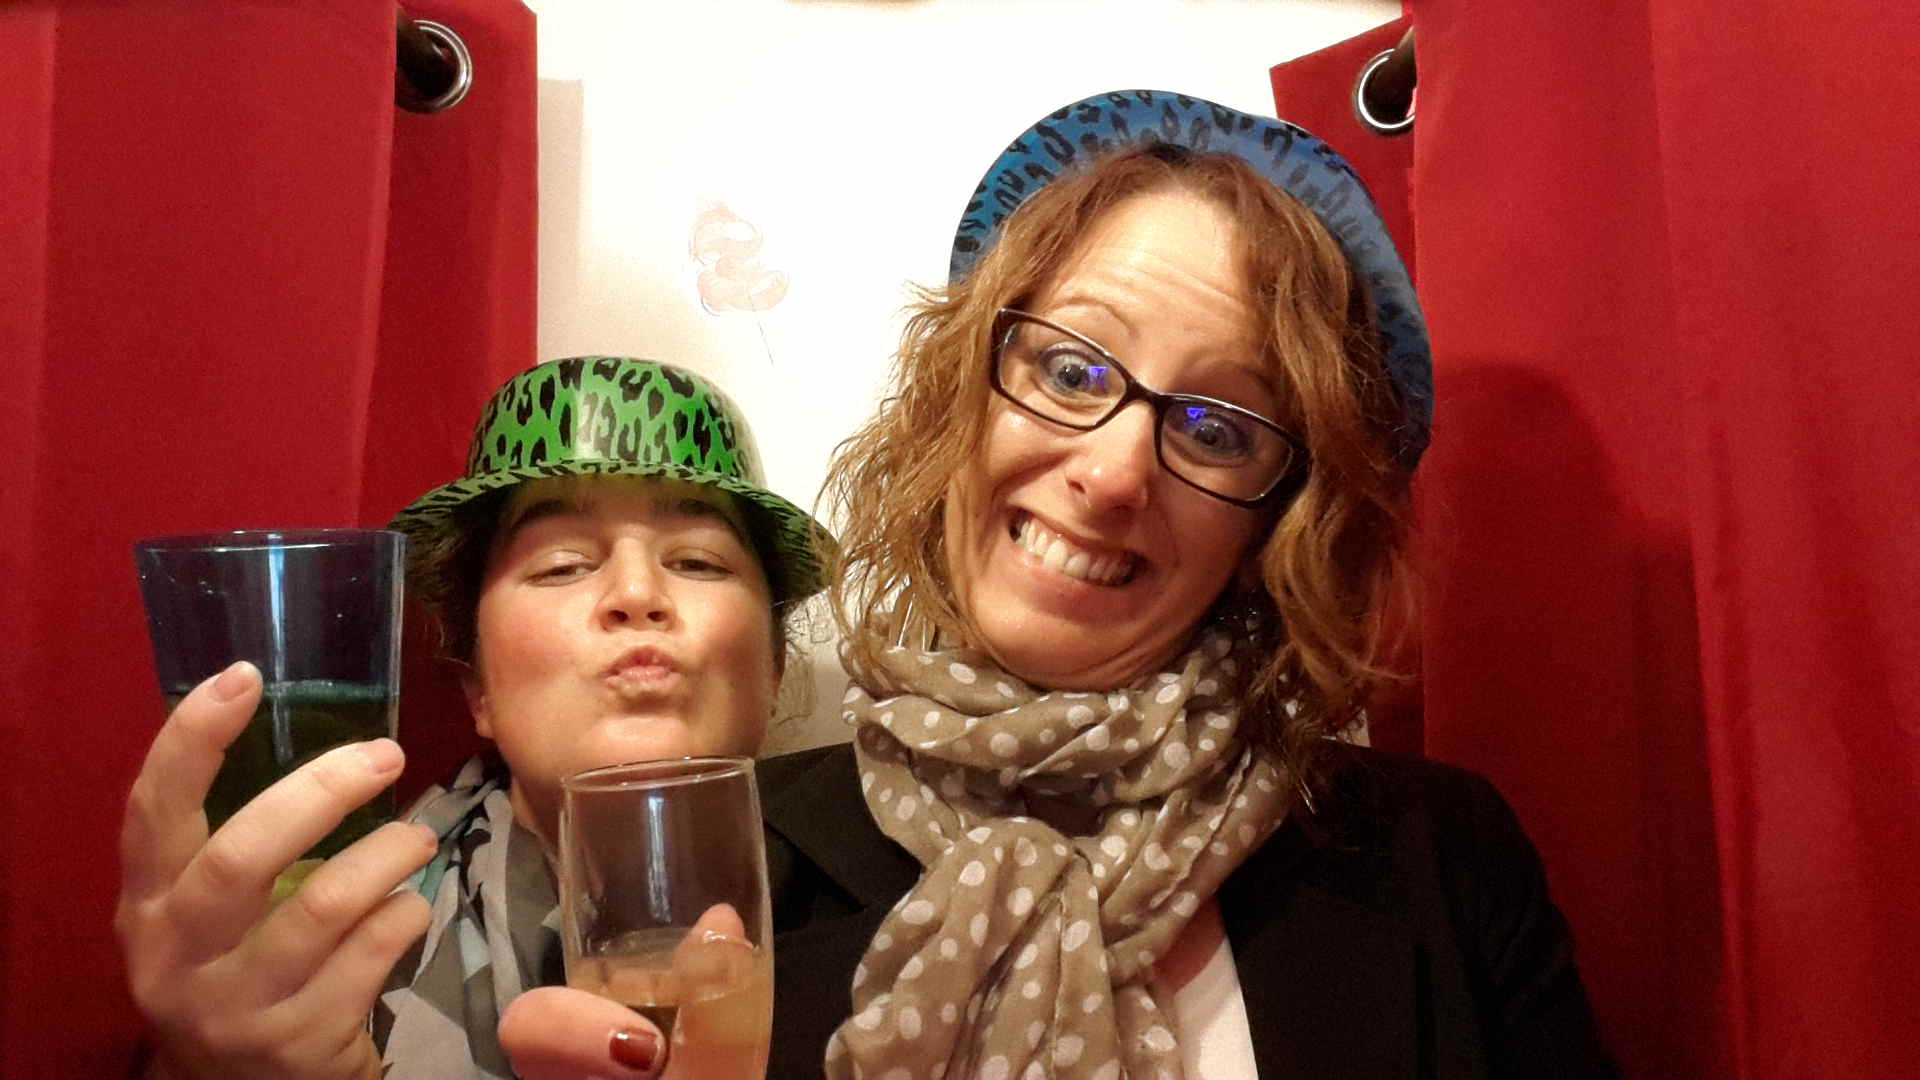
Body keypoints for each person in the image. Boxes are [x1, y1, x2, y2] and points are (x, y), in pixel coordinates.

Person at [501, 90, 1615, 1078]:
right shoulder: (725, 869)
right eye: (1072, 369)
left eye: (1219, 429)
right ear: (963, 398)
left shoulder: (1442, 864)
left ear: (1274, 524)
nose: (1115, 472)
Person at [114, 356, 834, 1079]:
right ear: (477, 688)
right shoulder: (318, 963)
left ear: (773, 666)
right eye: (561, 564)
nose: (637, 593)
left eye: (700, 562)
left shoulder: (893, 932)